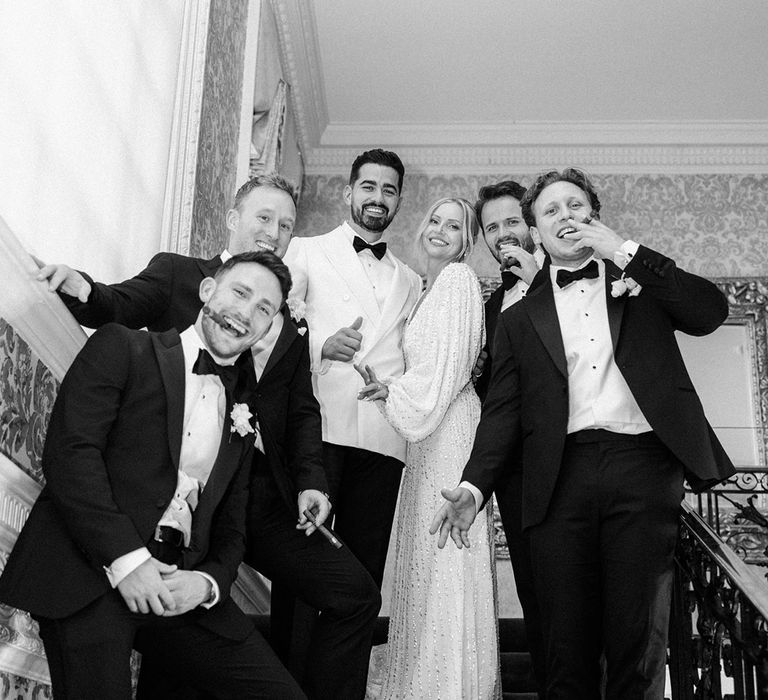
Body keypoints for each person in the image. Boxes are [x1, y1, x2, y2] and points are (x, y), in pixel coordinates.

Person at [35, 173, 380, 699]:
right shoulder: (178, 276)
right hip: (150, 501)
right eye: (264, 217)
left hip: (252, 493)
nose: (274, 232)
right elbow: (120, 305)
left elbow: (303, 412)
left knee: (353, 593)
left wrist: (312, 482)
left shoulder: (290, 321)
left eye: (286, 226)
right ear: (232, 220)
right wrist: (83, 289)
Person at [430, 168, 736, 699]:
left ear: (593, 216)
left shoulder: (639, 283)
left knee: (637, 644)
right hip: (558, 479)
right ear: (536, 232)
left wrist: (625, 249)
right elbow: (503, 411)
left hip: (643, 469)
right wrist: (474, 487)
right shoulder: (520, 318)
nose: (564, 217)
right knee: (565, 648)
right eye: (550, 211)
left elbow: (711, 312)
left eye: (575, 206)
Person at [0, 252, 308, 699]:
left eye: (264, 308)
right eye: (240, 292)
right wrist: (128, 562)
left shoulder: (245, 410)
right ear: (207, 291)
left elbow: (232, 529)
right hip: (92, 572)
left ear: (267, 330)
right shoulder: (122, 348)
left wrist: (205, 585)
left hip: (179, 584)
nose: (246, 312)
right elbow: (71, 457)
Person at [356, 198, 500, 699]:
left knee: (444, 561)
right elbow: (421, 371)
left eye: (454, 225)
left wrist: (394, 393)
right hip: (424, 437)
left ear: (466, 243)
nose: (441, 230)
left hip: (449, 434)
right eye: (435, 220)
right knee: (422, 559)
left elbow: (444, 373)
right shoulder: (424, 290)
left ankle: (447, 686)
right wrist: (387, 390)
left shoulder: (459, 282)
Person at [283, 149, 422, 590]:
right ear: (348, 192)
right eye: (368, 186)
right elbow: (270, 334)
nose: (378, 197)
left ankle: (348, 662)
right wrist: (321, 346)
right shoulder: (304, 250)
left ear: (398, 201)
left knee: (362, 576)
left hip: (383, 437)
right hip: (320, 427)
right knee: (305, 565)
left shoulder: (413, 280)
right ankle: (290, 662)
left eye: (389, 189)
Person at [473, 179, 546, 697]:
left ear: (532, 225)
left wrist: (542, 282)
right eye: (492, 227)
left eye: (512, 222)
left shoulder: (569, 279)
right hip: (515, 475)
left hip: (572, 464)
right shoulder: (490, 304)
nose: (503, 235)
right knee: (536, 595)